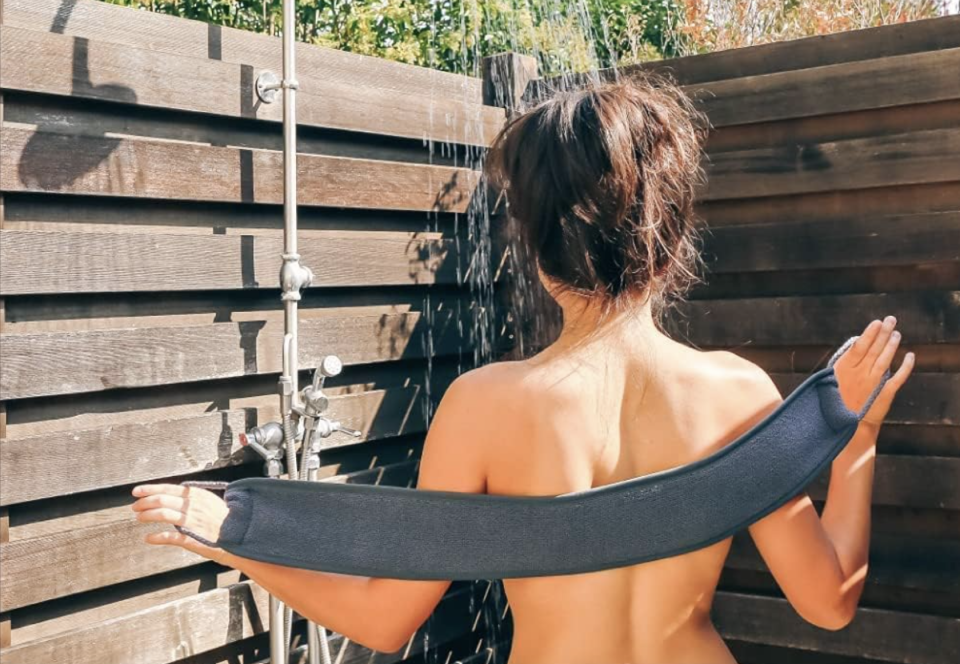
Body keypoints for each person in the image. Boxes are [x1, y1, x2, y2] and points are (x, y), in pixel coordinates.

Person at [131, 77, 915, 664]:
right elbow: (829, 604)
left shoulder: (486, 406)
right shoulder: (741, 395)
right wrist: (854, 442)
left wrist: (235, 537)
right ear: (673, 240)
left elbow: (386, 620)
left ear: (535, 251)